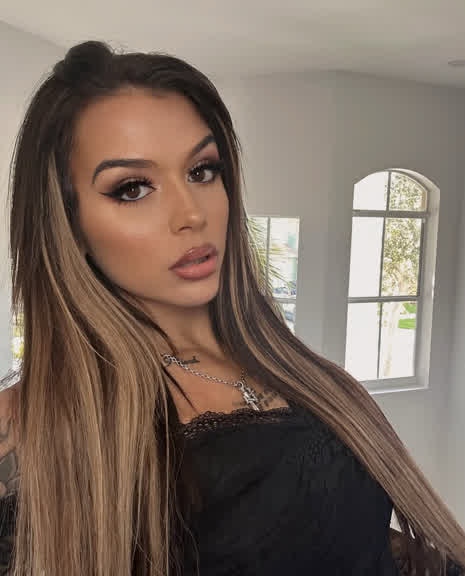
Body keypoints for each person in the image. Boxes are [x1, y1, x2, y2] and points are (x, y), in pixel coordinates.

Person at [0, 39, 463, 576]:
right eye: (132, 188)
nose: (191, 214)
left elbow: (359, 537)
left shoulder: (307, 375)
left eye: (202, 171)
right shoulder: (29, 426)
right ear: (68, 224)